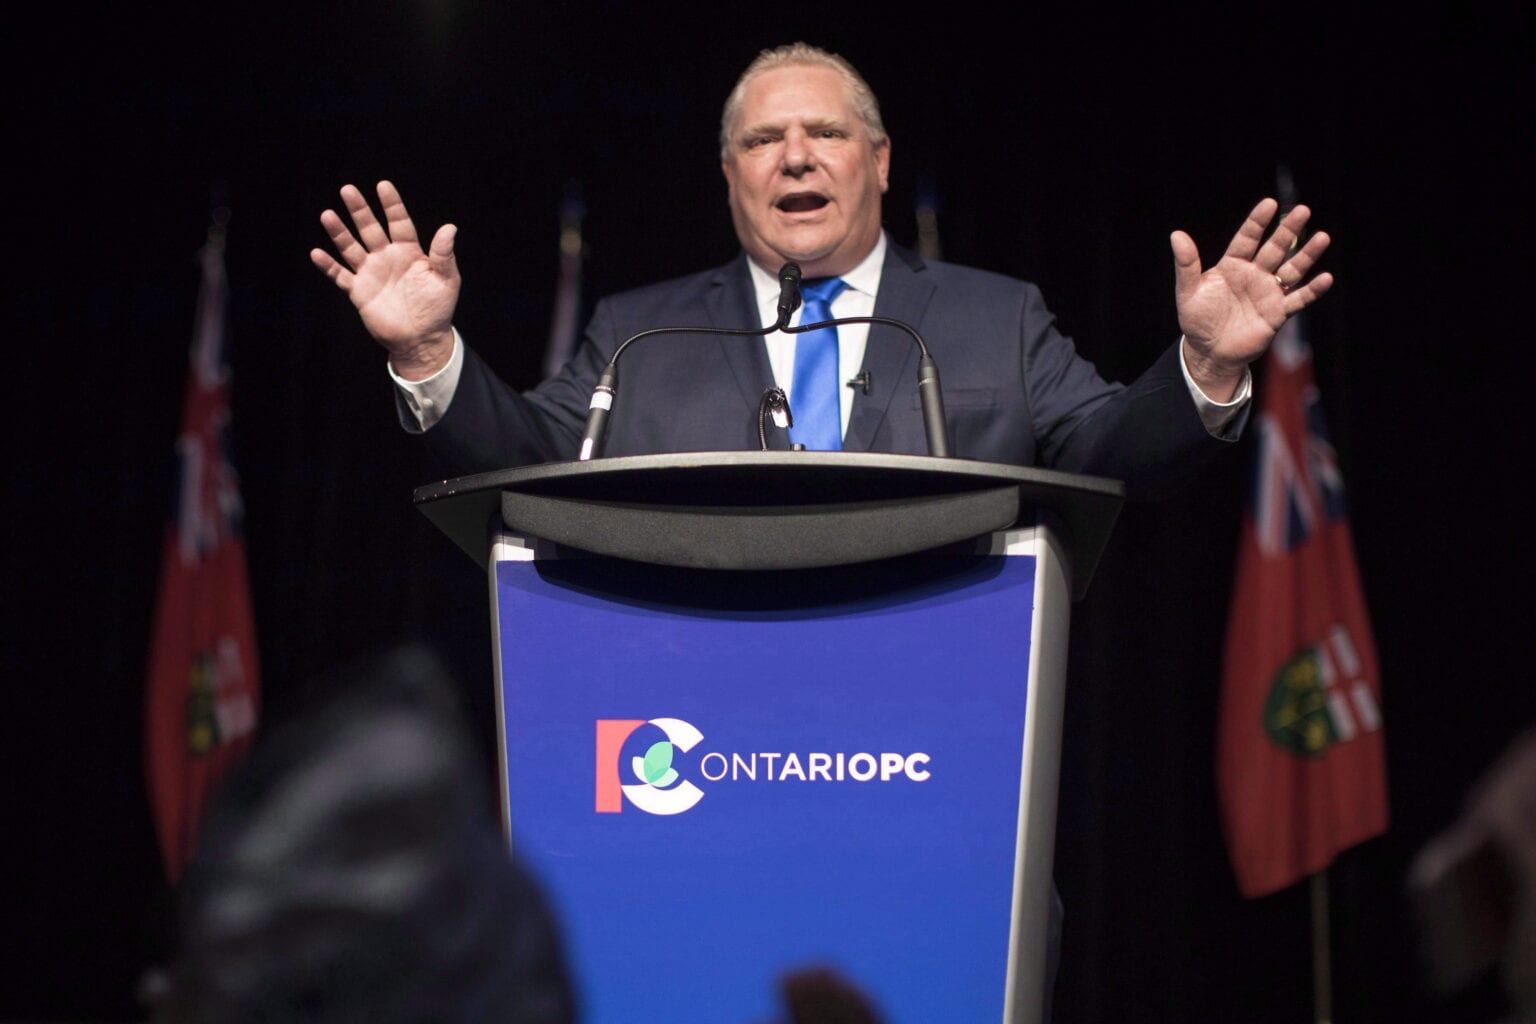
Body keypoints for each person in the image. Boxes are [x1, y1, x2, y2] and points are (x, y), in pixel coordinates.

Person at [310, 43, 1332, 492]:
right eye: (763, 141)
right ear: (729, 177)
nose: (794, 158)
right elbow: (526, 460)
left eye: (825, 134)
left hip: (933, 723)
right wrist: (429, 352)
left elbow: (1111, 456)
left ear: (878, 162)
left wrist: (1206, 367)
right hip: (696, 733)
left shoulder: (999, 317)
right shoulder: (637, 331)